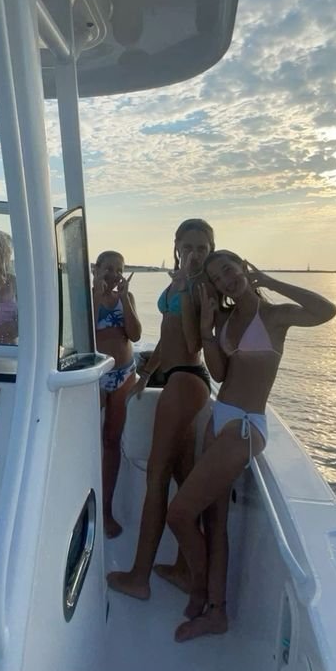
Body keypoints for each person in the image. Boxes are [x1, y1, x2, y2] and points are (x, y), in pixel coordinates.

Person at [167, 253, 336, 642]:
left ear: (243, 267)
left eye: (229, 268)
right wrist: (209, 331)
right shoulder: (225, 320)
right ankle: (217, 610)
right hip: (220, 416)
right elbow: (221, 373)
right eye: (216, 276)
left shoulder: (275, 317)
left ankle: (199, 591)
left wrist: (271, 281)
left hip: (245, 427)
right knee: (214, 520)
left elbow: (326, 310)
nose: (225, 279)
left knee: (178, 514)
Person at [107, 218, 215, 601]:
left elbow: (189, 341)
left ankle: (139, 577)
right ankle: (187, 572)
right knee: (182, 478)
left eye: (202, 247)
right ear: (177, 246)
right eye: (188, 246)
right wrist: (147, 372)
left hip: (186, 380)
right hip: (174, 378)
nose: (195, 253)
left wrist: (186, 291)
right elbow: (166, 337)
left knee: (156, 478)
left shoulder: (201, 287)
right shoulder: (180, 282)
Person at [93, 251, 142, 538]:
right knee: (88, 440)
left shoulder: (128, 298)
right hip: (95, 377)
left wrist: (124, 298)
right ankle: (86, 506)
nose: (113, 275)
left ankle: (107, 509)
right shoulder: (85, 296)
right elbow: (82, 331)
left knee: (112, 441)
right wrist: (98, 296)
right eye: (107, 269)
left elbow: (134, 335)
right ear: (96, 270)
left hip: (124, 374)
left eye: (119, 269)